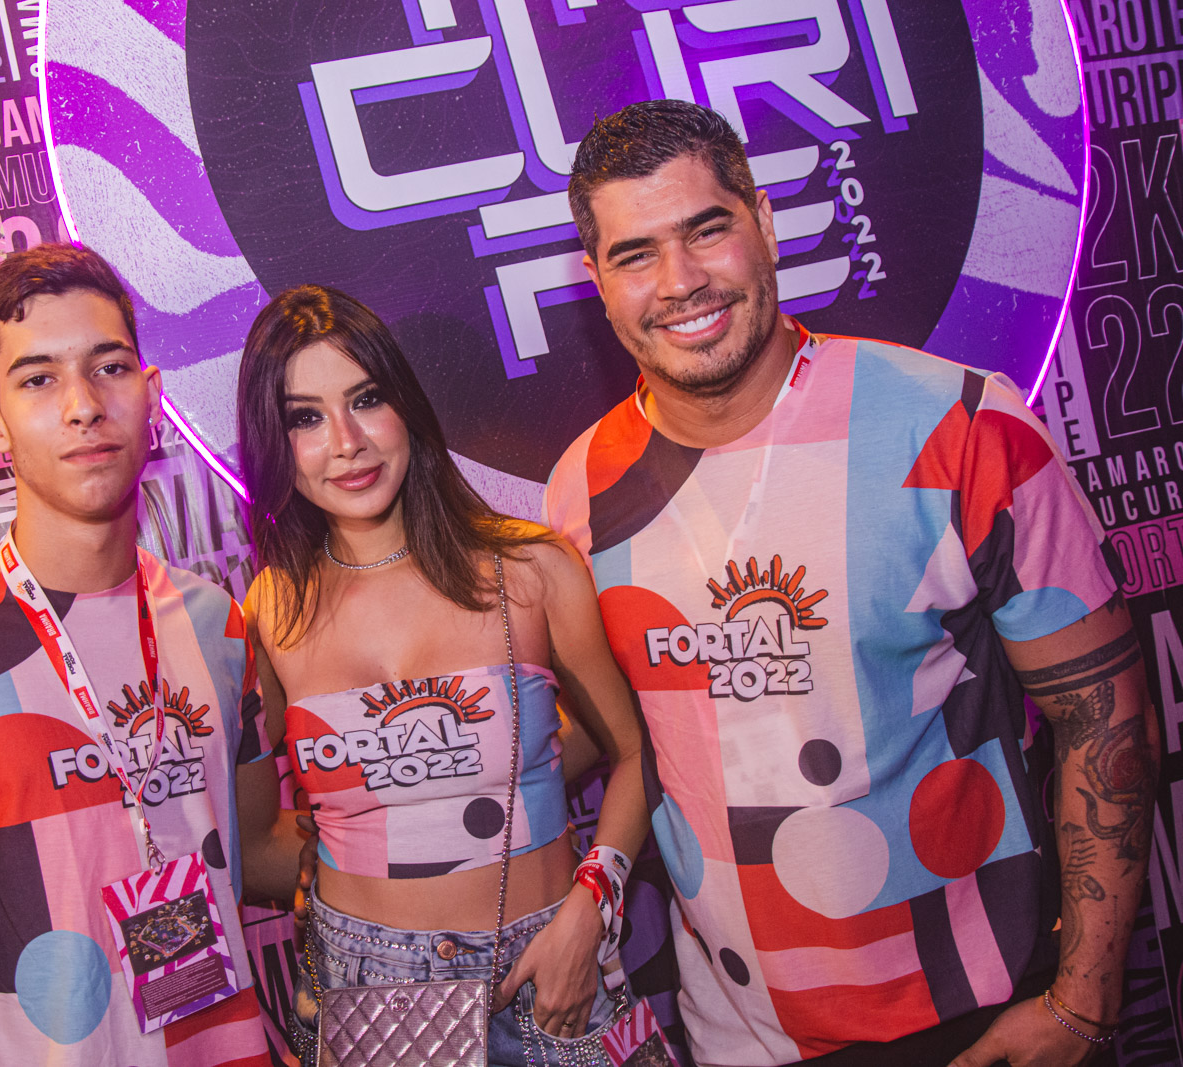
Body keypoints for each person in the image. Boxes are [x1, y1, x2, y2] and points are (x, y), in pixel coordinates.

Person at [543, 99, 1159, 1067]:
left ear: (764, 222)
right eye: (635, 254)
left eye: (707, 229)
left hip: (978, 1013)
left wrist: (1083, 1000)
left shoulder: (958, 425)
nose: (681, 280)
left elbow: (1104, 714)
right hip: (739, 1037)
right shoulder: (579, 490)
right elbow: (613, 736)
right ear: (597, 280)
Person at [0, 243, 304, 1065]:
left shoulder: (217, 624)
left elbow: (259, 851)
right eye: (39, 379)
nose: (83, 405)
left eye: (109, 367)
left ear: (152, 395)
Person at [235, 284, 666, 1066]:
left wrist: (589, 911)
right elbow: (257, 835)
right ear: (273, 441)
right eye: (305, 417)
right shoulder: (270, 610)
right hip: (365, 984)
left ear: (406, 406)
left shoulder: (529, 569)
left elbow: (634, 750)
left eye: (366, 399)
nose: (346, 441)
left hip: (551, 964)